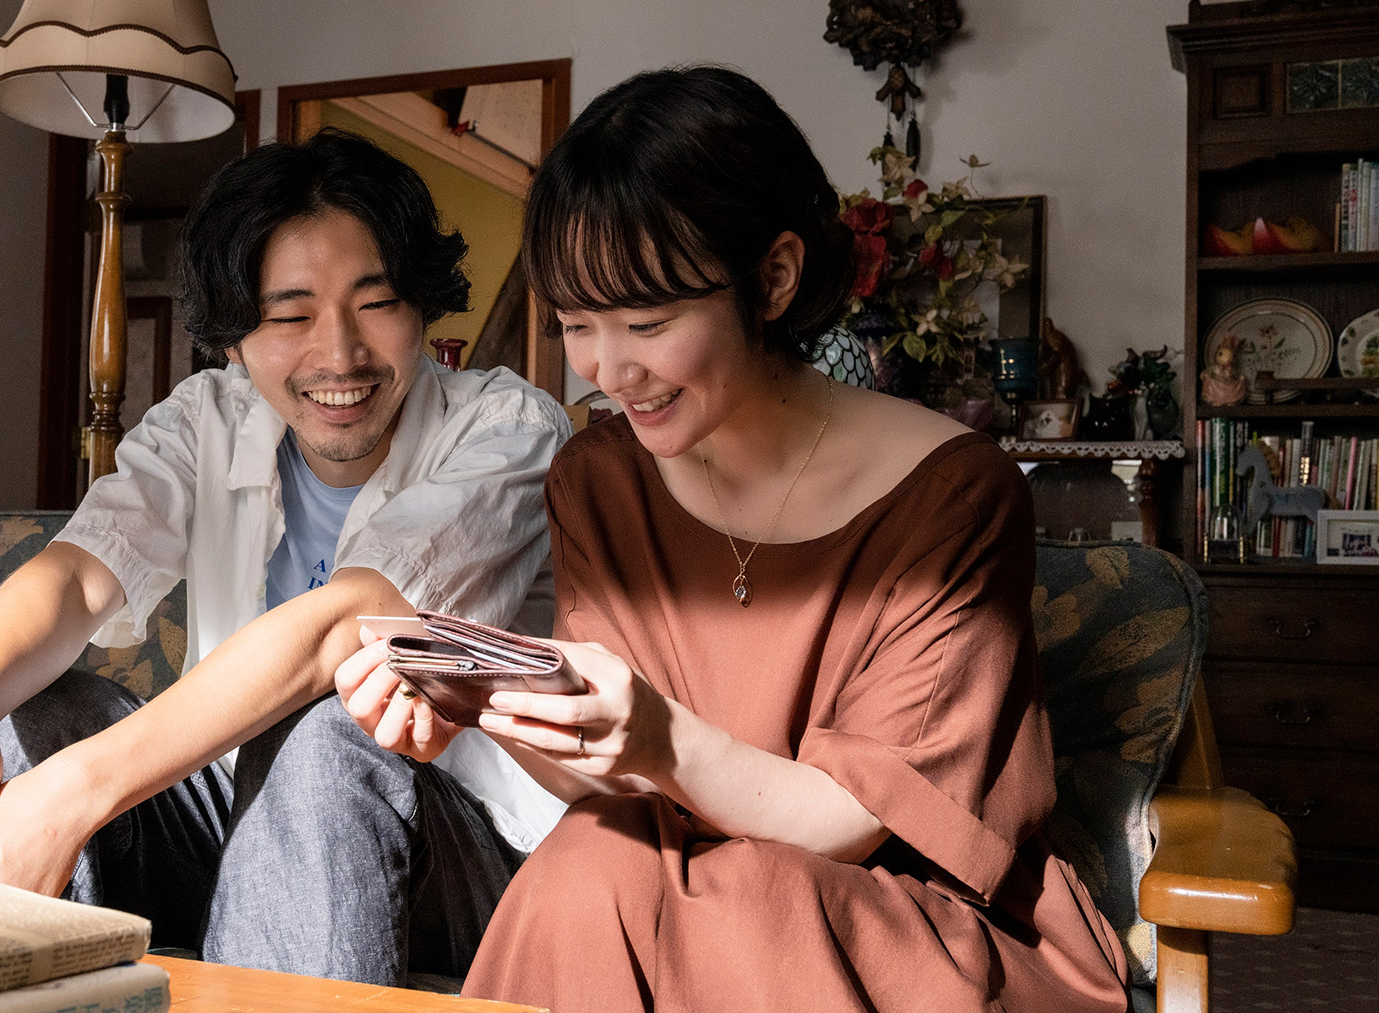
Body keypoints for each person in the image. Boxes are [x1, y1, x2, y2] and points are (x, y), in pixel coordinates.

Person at [336, 68, 1129, 1012]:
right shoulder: (600, 477)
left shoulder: (956, 494)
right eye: (576, 325)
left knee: (636, 877)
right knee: (598, 855)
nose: (609, 369)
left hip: (893, 910)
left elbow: (853, 822)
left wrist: (662, 739)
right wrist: (478, 710)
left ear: (774, 277)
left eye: (648, 321)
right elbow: (612, 773)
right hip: (664, 884)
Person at [0, 129, 569, 986]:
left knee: (327, 726)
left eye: (375, 303)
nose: (338, 355)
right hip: (243, 825)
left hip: (457, 845)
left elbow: (347, 625)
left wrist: (74, 794)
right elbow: (77, 573)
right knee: (50, 714)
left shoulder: (510, 431)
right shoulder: (209, 419)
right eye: (290, 315)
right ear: (232, 336)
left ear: (422, 303)